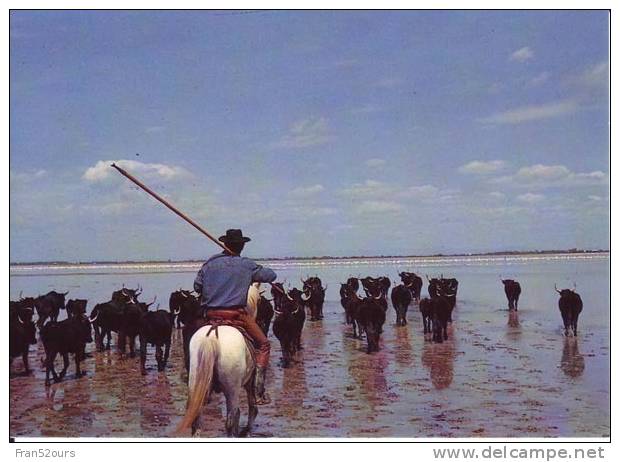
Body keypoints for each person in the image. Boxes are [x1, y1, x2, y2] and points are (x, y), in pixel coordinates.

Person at [193, 228, 277, 404]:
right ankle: (258, 390)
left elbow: (197, 287)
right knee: (263, 345)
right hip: (236, 315)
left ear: (225, 244)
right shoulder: (246, 264)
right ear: (242, 246)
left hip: (210, 315)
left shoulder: (209, 264)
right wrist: (252, 268)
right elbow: (271, 275)